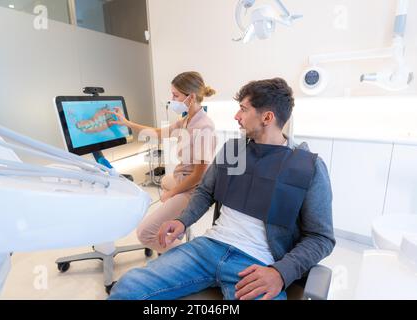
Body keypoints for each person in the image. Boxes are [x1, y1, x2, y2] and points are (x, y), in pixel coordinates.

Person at [108, 78, 335, 300]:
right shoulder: (233, 150)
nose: (236, 116)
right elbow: (205, 191)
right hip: (208, 249)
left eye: (243, 110)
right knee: (127, 288)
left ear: (267, 117)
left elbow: (320, 237)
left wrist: (281, 272)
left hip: (256, 263)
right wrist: (182, 221)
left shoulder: (308, 167)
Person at [107, 71, 217, 253]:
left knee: (145, 233)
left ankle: (186, 258)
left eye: (175, 95)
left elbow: (198, 175)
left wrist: (173, 193)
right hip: (182, 178)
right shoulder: (186, 120)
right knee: (165, 180)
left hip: (194, 187)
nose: (171, 99)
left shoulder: (203, 127)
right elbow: (159, 133)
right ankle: (178, 224)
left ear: (190, 97)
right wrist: (126, 123)